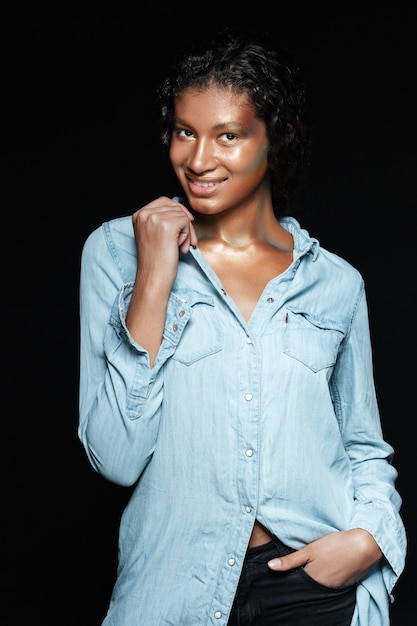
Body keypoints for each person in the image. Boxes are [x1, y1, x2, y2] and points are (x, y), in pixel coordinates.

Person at [78, 26, 406, 625]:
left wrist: (371, 539)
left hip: (316, 585)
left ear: (273, 140)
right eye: (185, 132)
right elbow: (115, 456)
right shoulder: (114, 253)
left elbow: (363, 446)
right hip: (176, 587)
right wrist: (155, 275)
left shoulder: (336, 284)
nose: (198, 160)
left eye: (227, 135)